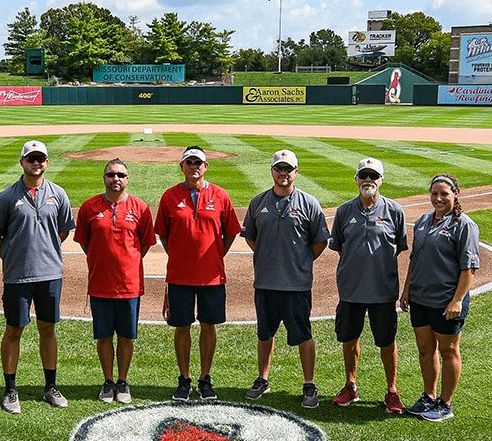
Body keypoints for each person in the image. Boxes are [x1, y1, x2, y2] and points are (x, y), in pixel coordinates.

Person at [0, 140, 76, 412]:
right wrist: (14, 256)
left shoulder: (58, 194)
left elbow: (62, 231)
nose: (35, 163)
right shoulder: (6, 197)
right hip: (17, 277)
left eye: (40, 159)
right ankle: (10, 389)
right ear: (22, 162)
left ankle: (50, 386)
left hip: (50, 274)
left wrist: (45, 251)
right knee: (14, 329)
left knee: (48, 329)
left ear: (47, 162)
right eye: (31, 159)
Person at [241, 150, 329, 407]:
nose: (283, 173)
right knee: (265, 333)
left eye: (288, 169)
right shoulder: (258, 202)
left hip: (296, 284)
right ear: (272, 171)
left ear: (296, 172)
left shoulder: (309, 203)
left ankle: (309, 384)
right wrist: (269, 256)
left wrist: (299, 261)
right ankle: (262, 379)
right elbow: (251, 236)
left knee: (303, 334)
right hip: (266, 283)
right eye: (279, 168)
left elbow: (320, 241)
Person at [154, 146, 241, 401]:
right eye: (189, 162)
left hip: (211, 276)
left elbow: (231, 232)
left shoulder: (220, 195)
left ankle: (205, 378)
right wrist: (180, 256)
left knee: (208, 326)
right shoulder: (170, 196)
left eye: (198, 162)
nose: (194, 167)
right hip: (179, 276)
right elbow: (164, 234)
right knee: (181, 327)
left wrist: (215, 256)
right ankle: (184, 379)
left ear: (206, 166)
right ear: (182, 166)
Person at [329, 157, 408, 414]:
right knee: (349, 339)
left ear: (381, 180)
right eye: (364, 175)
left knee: (387, 341)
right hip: (351, 290)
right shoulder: (343, 212)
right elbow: (340, 247)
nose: (368, 181)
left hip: (383, 290)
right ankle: (350, 385)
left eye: (373, 176)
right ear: (356, 179)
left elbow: (399, 248)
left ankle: (392, 390)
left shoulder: (395, 211)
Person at [400, 174, 480, 422]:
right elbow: (414, 259)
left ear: (455, 194)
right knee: (425, 349)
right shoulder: (424, 220)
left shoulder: (464, 225)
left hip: (446, 300)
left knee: (448, 350)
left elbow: (469, 269)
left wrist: (457, 300)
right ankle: (428, 396)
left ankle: (445, 403)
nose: (438, 198)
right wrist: (407, 290)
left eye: (444, 193)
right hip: (421, 298)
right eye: (434, 193)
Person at [74, 158, 156, 403]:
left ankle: (123, 381)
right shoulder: (89, 207)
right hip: (100, 283)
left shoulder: (140, 208)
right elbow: (85, 242)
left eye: (121, 175)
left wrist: (126, 260)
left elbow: (144, 244)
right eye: (111, 175)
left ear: (127, 179)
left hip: (129, 284)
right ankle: (108, 381)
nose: (116, 179)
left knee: (127, 336)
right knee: (103, 336)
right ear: (104, 178)